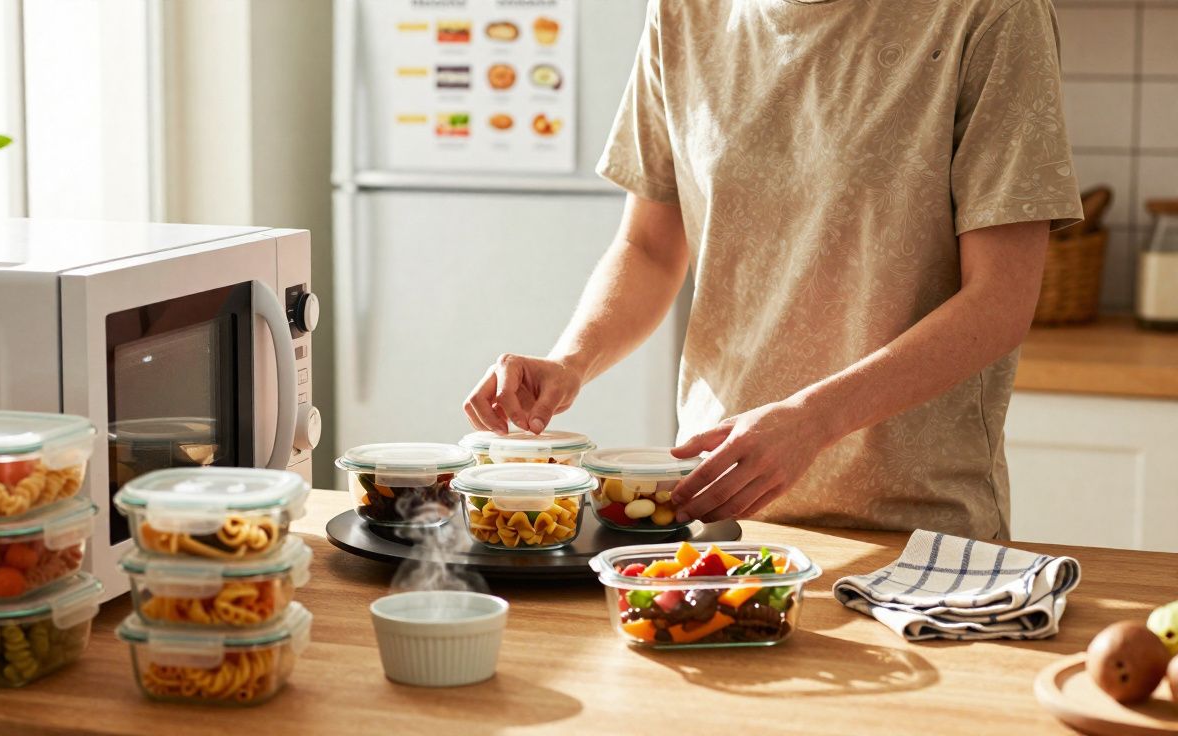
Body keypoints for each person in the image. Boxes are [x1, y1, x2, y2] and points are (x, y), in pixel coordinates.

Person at [462, 0, 1084, 539]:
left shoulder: (992, 13)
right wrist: (571, 360)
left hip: (912, 525)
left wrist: (813, 420)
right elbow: (649, 247)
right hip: (719, 510)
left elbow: (999, 300)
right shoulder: (684, 12)